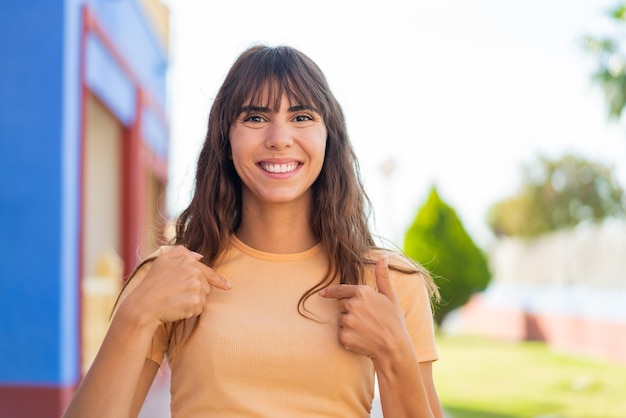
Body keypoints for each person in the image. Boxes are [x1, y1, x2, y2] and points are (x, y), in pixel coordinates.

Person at [63, 44, 443, 418]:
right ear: (226, 140)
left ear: (330, 138)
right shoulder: (171, 275)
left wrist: (394, 352)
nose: (279, 138)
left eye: (302, 117)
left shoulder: (388, 283)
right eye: (255, 118)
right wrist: (137, 313)